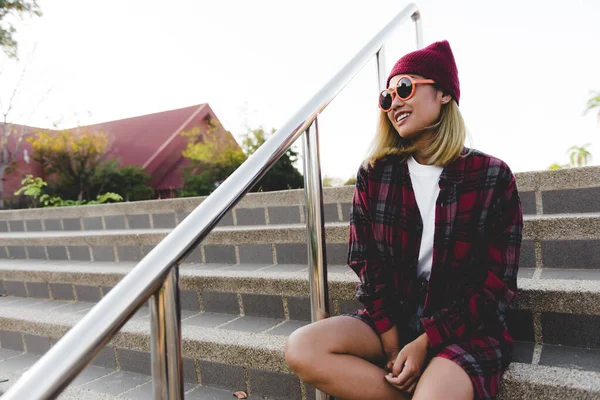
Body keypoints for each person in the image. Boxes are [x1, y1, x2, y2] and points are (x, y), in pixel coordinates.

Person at [284, 40, 523, 400]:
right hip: (395, 318)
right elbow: (367, 263)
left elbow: (495, 285)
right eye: (387, 97)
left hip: (464, 326)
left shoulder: (492, 176)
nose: (394, 102)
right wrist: (394, 344)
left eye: (405, 88)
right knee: (302, 347)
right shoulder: (376, 174)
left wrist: (426, 342)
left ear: (443, 93)